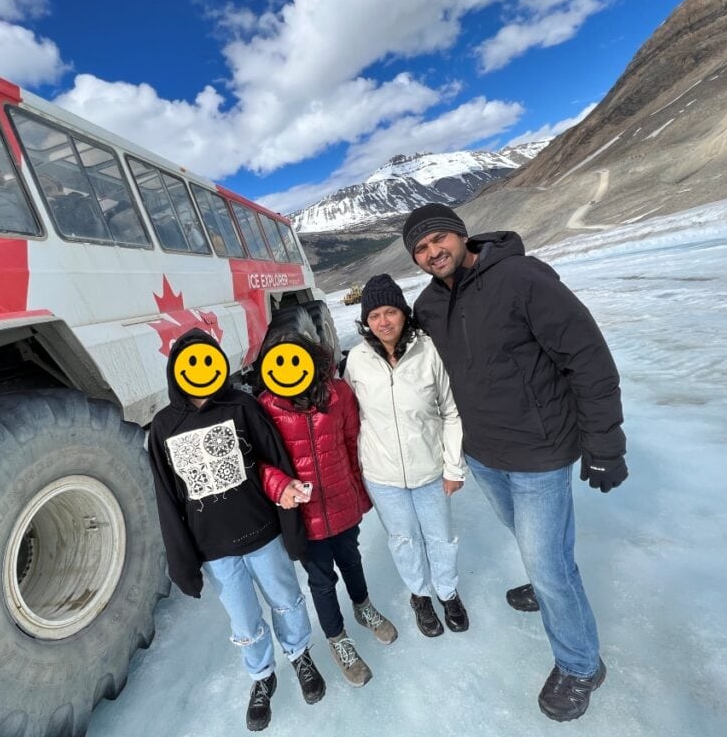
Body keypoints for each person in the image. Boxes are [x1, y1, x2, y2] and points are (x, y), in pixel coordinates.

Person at [405, 202, 627, 722]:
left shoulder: (522, 277)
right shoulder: (429, 306)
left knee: (550, 564)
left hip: (539, 452)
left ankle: (580, 665)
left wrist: (606, 445)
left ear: (461, 236)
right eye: (420, 248)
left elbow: (587, 357)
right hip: (484, 454)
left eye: (439, 239)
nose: (433, 252)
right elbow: (411, 364)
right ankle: (549, 586)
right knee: (535, 546)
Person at [147, 329, 326, 732]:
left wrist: (291, 514)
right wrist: (183, 559)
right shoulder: (163, 426)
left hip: (262, 532)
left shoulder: (241, 406)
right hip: (214, 548)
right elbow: (167, 497)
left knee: (286, 599)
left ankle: (299, 654)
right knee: (244, 620)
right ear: (176, 371)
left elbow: (272, 459)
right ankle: (262, 676)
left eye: (206, 359)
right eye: (189, 362)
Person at [257, 333, 397, 689]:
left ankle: (362, 606)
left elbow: (353, 443)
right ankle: (338, 639)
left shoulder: (338, 394)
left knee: (351, 558)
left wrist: (359, 494)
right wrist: (279, 486)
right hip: (305, 515)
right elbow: (258, 462)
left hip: (341, 499)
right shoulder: (267, 406)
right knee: (321, 580)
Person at [342, 274, 470, 639]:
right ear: (365, 321)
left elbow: (451, 412)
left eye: (390, 312)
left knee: (441, 537)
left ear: (403, 312)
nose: (383, 322)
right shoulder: (358, 361)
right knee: (403, 539)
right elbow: (352, 418)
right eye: (374, 316)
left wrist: (453, 467)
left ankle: (447, 592)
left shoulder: (428, 351)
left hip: (429, 469)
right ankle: (421, 595)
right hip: (382, 475)